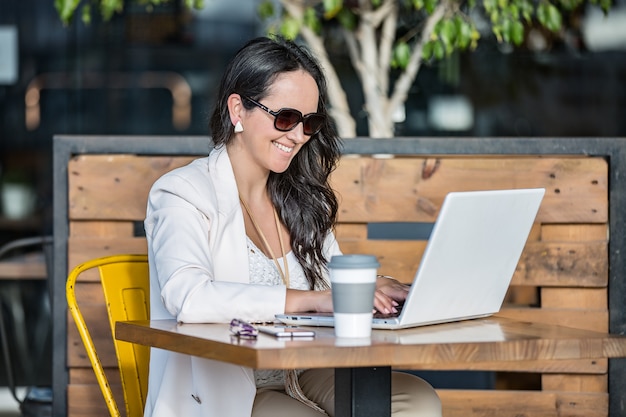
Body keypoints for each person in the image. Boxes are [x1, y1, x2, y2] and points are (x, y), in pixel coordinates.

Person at [143, 36, 442, 417]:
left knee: (417, 402)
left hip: (305, 369)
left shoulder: (299, 196)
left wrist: (374, 288)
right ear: (238, 109)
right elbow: (188, 297)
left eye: (310, 122)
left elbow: (331, 280)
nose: (298, 135)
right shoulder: (182, 192)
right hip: (229, 385)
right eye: (285, 118)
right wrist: (313, 300)